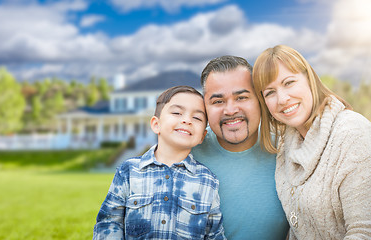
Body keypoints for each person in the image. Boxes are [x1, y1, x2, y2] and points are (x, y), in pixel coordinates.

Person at [252, 44, 371, 239]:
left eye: (289, 82)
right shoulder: (286, 143)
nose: (282, 98)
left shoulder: (352, 133)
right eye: (269, 92)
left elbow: (364, 232)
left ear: (310, 79)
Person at [93, 85, 226, 239]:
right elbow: (109, 222)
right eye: (177, 112)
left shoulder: (207, 181)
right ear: (156, 124)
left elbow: (214, 234)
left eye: (197, 118)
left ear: (202, 136)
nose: (187, 120)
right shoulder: (129, 171)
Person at [191, 55, 289, 239]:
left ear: (260, 100)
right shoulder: (187, 155)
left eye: (241, 97)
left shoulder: (287, 150)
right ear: (204, 107)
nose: (230, 110)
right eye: (218, 101)